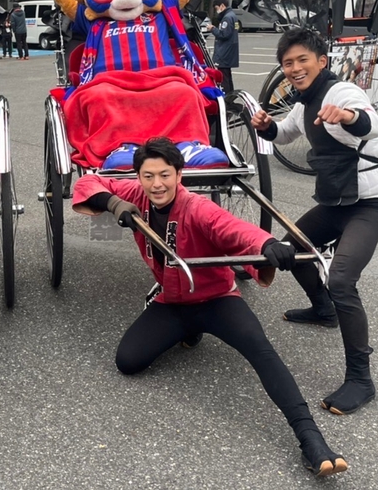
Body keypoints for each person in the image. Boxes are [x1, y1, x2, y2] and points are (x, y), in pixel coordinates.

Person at [72, 137, 348, 477]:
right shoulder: (136, 195)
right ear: (138, 177)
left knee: (261, 350)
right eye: (148, 176)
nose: (156, 184)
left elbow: (234, 229)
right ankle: (188, 331)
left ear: (179, 174)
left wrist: (268, 244)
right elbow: (89, 182)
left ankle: (311, 439)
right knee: (128, 361)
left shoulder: (197, 207)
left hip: (218, 301)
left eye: (165, 175)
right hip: (173, 302)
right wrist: (114, 204)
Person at [251, 27, 378, 416]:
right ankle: (323, 310)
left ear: (322, 62)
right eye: (288, 63)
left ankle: (361, 379)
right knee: (289, 249)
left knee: (342, 280)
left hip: (370, 206)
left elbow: (371, 124)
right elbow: (284, 134)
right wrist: (265, 126)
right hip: (336, 203)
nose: (295, 68)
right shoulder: (305, 103)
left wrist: (348, 116)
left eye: (303, 60)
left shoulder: (343, 93)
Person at [205, 0, 239, 93]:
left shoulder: (227, 18)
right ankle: (231, 96)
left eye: (217, 8)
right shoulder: (233, 16)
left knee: (224, 78)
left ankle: (227, 98)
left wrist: (213, 29)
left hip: (224, 52)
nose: (217, 11)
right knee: (228, 76)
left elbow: (224, 34)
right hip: (230, 51)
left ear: (222, 6)